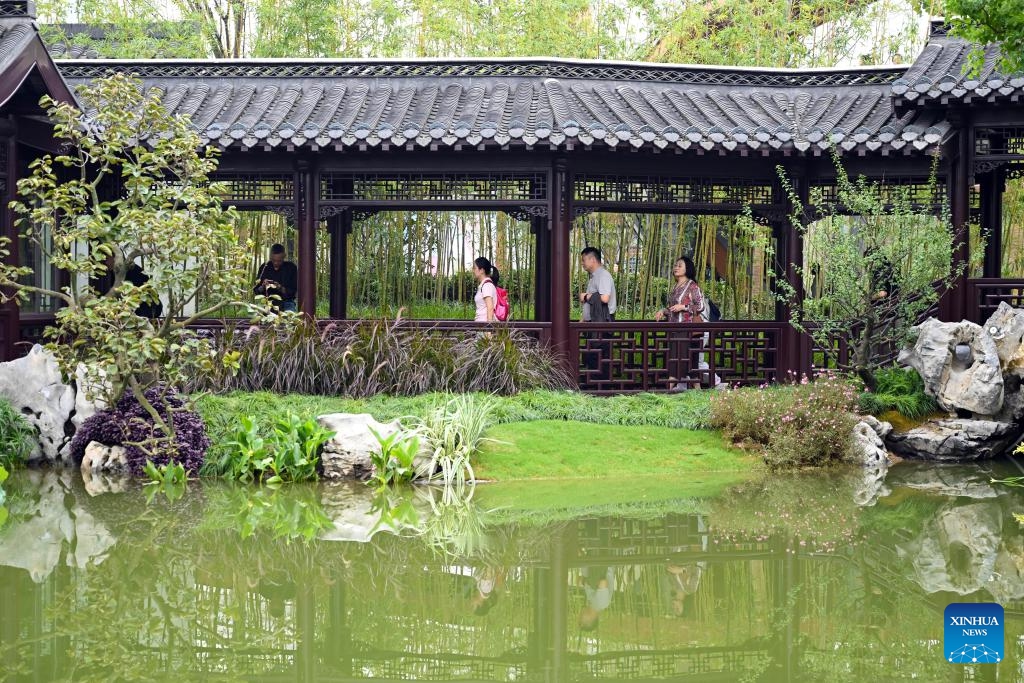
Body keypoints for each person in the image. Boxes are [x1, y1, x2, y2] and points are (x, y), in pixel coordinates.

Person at [655, 256, 719, 391]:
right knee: (675, 360)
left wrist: (683, 307)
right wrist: (663, 311)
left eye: (680, 265)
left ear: (687, 269)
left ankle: (670, 390)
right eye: (675, 265)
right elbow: (672, 308)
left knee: (688, 362)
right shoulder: (675, 287)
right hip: (675, 329)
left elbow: (700, 306)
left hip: (688, 329)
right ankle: (693, 390)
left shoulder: (692, 286)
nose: (676, 267)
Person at [254, 243, 298, 312]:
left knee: (290, 317)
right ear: (270, 257)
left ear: (284, 256)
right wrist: (263, 286)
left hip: (286, 302)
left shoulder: (291, 268)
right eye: (273, 260)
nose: (276, 263)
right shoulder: (264, 267)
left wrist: (280, 288)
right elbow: (256, 291)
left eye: (279, 261)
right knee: (257, 316)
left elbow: (293, 292)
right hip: (267, 302)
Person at [579, 247, 616, 323]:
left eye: (583, 260)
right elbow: (592, 304)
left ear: (592, 259)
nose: (582, 263)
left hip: (602, 322)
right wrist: (583, 320)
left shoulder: (603, 275)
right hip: (595, 321)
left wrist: (586, 296)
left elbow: (605, 298)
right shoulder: (594, 276)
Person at [472, 256, 500, 323]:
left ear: (481, 270)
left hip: (484, 326)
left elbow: (490, 308)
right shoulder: (484, 285)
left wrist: (488, 330)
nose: (473, 270)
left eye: (474, 268)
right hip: (481, 325)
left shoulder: (487, 286)